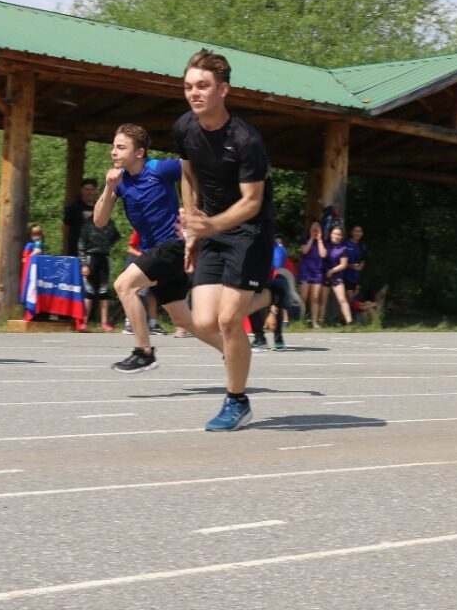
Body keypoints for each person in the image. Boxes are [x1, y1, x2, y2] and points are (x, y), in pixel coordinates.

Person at [174, 48, 282, 432]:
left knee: (227, 320)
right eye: (188, 86)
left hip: (248, 233)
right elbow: (188, 175)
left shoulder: (246, 139)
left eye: (202, 86)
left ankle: (237, 401)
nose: (194, 93)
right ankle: (269, 298)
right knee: (201, 322)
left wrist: (212, 226)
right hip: (211, 229)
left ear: (224, 90)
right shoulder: (184, 127)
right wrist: (191, 226)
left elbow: (252, 203)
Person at [94, 124, 195, 372]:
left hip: (172, 246)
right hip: (152, 253)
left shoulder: (159, 168)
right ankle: (230, 348)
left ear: (139, 152)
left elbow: (192, 168)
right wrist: (109, 187)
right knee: (183, 320)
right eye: (113, 147)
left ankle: (143, 352)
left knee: (123, 285)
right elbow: (99, 221)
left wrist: (191, 215)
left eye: (120, 147)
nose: (113, 152)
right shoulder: (119, 181)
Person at [78, 212, 120, 332]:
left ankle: (105, 323)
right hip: (91, 257)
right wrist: (84, 264)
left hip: (104, 258)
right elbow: (81, 245)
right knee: (89, 291)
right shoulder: (87, 225)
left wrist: (107, 245)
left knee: (104, 291)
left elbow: (116, 236)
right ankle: (84, 321)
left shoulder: (109, 223)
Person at [121, 229, 164, 336]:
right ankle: (129, 323)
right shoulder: (140, 229)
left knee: (153, 294)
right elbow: (130, 249)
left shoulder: (161, 231)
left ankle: (152, 324)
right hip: (137, 263)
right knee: (136, 293)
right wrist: (144, 256)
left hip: (151, 263)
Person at [298, 220, 327, 328]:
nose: (315, 228)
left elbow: (323, 254)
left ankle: (314, 322)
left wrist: (319, 240)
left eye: (317, 226)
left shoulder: (323, 241)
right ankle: (299, 319)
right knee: (303, 296)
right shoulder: (305, 239)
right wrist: (311, 238)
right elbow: (304, 251)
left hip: (317, 272)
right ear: (310, 228)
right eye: (313, 226)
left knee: (315, 297)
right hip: (305, 271)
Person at [324, 224, 354, 326]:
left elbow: (344, 265)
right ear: (331, 234)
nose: (336, 236)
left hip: (336, 276)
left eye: (339, 234)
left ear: (341, 236)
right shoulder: (325, 244)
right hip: (322, 275)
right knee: (321, 301)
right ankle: (319, 323)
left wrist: (332, 271)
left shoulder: (343, 248)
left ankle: (349, 322)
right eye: (335, 233)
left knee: (342, 299)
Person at [62, 178, 97, 257]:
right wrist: (65, 249)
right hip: (76, 251)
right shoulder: (73, 208)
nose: (89, 192)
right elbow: (65, 229)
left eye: (92, 189)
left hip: (95, 252)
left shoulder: (100, 208)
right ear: (81, 190)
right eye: (87, 189)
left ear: (95, 191)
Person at [343, 224, 365, 300]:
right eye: (356, 231)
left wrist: (359, 267)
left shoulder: (362, 246)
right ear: (351, 232)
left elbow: (362, 260)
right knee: (350, 299)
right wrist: (351, 266)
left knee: (352, 300)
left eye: (360, 231)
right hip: (345, 275)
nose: (357, 233)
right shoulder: (345, 243)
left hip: (356, 278)